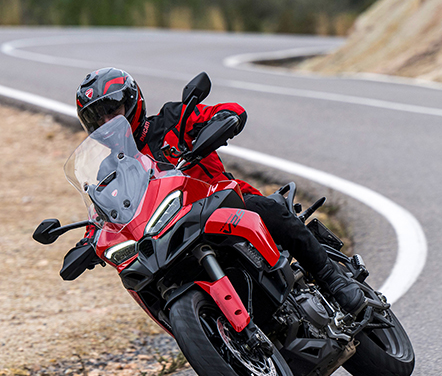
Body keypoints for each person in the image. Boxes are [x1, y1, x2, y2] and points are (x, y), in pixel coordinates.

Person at [75, 67, 364, 314]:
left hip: (224, 203)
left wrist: (223, 120)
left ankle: (332, 278)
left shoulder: (173, 119)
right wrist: (90, 240)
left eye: (112, 111)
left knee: (265, 209)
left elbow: (227, 111)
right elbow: (105, 215)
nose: (106, 122)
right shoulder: (109, 170)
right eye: (97, 118)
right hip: (172, 237)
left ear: (132, 102)